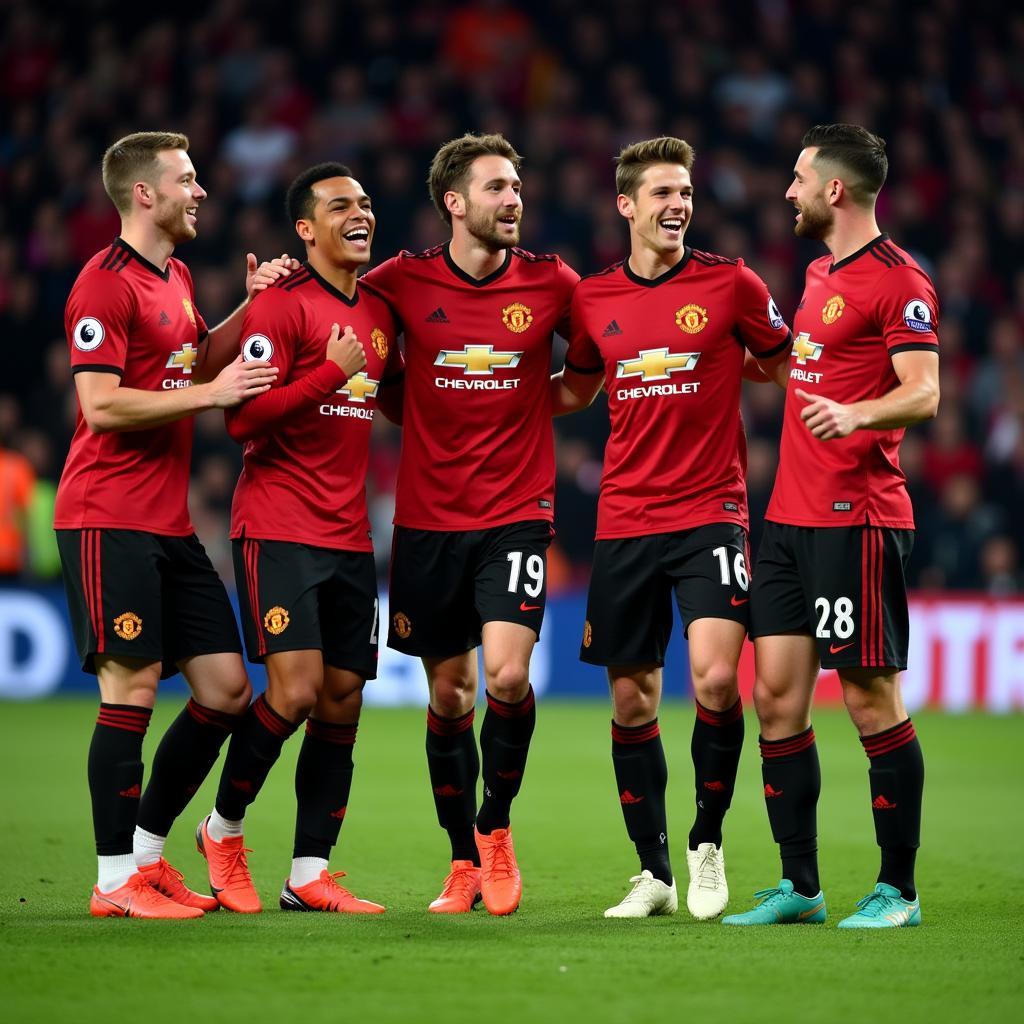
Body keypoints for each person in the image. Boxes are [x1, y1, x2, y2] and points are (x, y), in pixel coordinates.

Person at [552, 137, 792, 920]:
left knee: (720, 681)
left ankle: (707, 842)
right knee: (632, 700)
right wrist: (475, 388)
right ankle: (652, 873)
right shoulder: (592, 299)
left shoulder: (731, 284)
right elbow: (576, 387)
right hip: (625, 519)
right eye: (661, 193)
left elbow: (783, 361)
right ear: (626, 205)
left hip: (711, 513)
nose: (677, 205)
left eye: (685, 192)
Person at [54, 131, 290, 918]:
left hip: (166, 522)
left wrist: (250, 311)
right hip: (105, 516)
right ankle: (114, 880)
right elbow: (102, 404)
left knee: (225, 690)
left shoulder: (178, 275)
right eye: (187, 181)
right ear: (144, 194)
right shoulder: (103, 284)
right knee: (133, 687)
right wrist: (212, 396)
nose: (202, 192)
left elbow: (194, 363)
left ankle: (150, 854)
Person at [723, 124, 939, 929]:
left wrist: (859, 413)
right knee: (776, 699)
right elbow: (794, 363)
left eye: (798, 178)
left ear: (835, 191)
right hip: (786, 520)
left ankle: (899, 892)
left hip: (859, 519)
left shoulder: (900, 280)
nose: (789, 191)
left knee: (869, 698)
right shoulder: (818, 273)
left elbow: (924, 392)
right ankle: (801, 887)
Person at [362, 133, 579, 915]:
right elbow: (356, 340)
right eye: (496, 187)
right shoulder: (401, 281)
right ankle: (460, 861)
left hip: (517, 512)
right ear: (454, 203)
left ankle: (495, 831)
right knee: (451, 695)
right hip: (427, 520)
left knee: (508, 676)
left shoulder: (552, 282)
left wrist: (532, 406)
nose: (513, 198)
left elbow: (586, 369)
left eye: (517, 185)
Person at [195, 163, 403, 914]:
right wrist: (328, 374)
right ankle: (222, 829)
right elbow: (241, 420)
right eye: (340, 205)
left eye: (367, 203)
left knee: (343, 699)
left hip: (350, 533)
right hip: (279, 524)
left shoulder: (380, 309)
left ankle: (308, 871)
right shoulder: (282, 306)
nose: (360, 213)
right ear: (305, 229)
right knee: (296, 689)